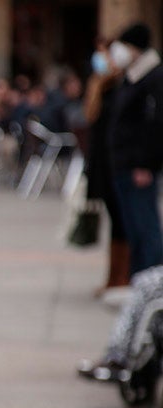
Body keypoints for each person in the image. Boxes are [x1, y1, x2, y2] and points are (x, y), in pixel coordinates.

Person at [106, 22, 163, 277]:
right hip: (123, 163)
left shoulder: (153, 77)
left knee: (145, 228)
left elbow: (154, 125)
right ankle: (139, 284)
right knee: (133, 230)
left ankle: (152, 285)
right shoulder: (133, 76)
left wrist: (145, 163)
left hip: (137, 166)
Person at [84, 37, 129, 297]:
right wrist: (96, 86)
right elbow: (90, 115)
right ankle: (114, 277)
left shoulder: (124, 86)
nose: (100, 60)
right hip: (102, 161)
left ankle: (123, 276)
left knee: (123, 220)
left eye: (105, 54)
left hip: (117, 163)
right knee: (114, 218)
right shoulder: (101, 86)